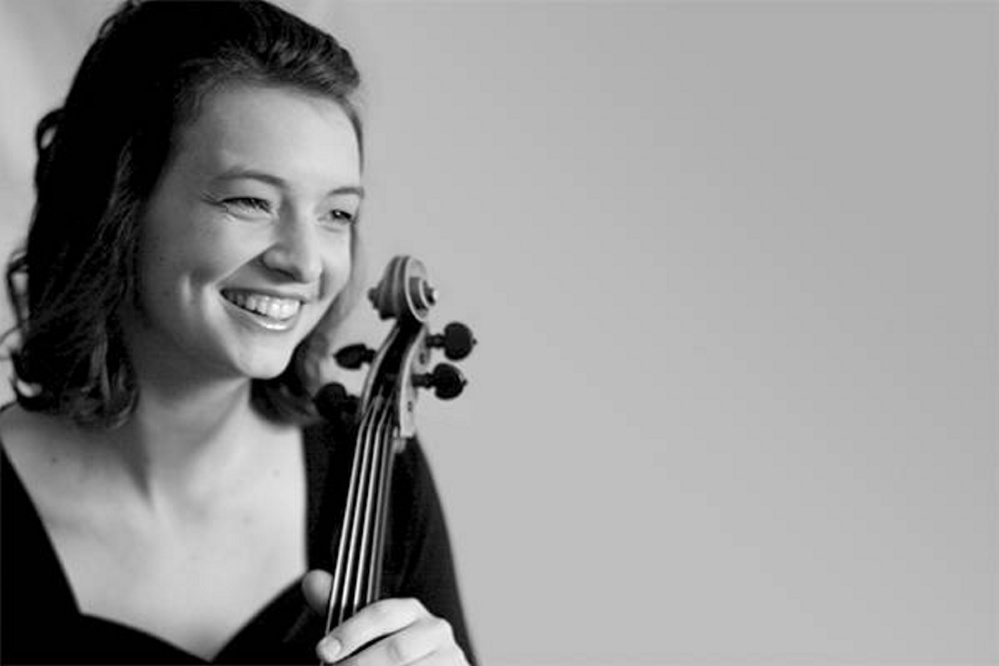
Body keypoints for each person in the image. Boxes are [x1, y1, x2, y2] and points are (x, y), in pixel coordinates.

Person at [0, 1, 475, 663]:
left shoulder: (372, 475)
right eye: (250, 201)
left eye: (337, 213)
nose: (304, 262)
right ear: (119, 201)